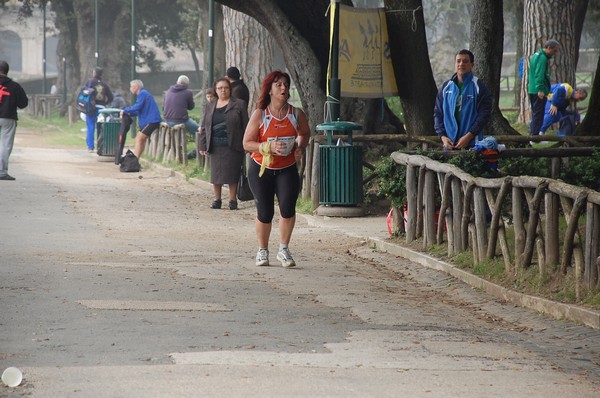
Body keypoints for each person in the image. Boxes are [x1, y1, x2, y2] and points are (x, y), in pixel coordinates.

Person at [242, 70, 310, 268]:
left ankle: (284, 249)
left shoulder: (296, 114)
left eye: (286, 85)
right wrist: (267, 147)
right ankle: (262, 251)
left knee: (288, 208)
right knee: (265, 212)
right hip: (261, 168)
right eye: (278, 84)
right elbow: (246, 143)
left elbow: (305, 133)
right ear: (270, 90)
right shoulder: (260, 114)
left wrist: (300, 147)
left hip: (287, 167)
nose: (283, 88)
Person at [198, 78, 249, 210]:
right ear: (215, 90)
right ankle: (217, 199)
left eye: (225, 87)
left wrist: (247, 143)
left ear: (230, 89)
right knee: (216, 174)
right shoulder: (210, 105)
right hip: (215, 145)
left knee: (233, 173)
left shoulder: (239, 104)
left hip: (233, 144)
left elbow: (246, 126)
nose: (223, 90)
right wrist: (202, 145)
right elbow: (205, 126)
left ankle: (233, 200)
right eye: (220, 88)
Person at [434, 49, 492, 150]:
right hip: (449, 144)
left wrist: (469, 136)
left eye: (465, 61)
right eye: (458, 61)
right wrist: (443, 137)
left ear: (472, 65)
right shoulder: (445, 87)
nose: (461, 64)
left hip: (472, 144)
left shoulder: (479, 87)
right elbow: (438, 114)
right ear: (455, 63)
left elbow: (484, 115)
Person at [115, 80, 161, 164]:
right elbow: (139, 110)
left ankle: (134, 160)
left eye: (131, 87)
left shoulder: (142, 94)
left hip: (151, 121)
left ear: (136, 87)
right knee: (140, 139)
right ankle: (136, 160)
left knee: (139, 138)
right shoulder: (142, 94)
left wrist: (125, 110)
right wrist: (129, 112)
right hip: (148, 121)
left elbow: (137, 106)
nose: (130, 88)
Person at [0, 60, 28, 181]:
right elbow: (23, 104)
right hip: (8, 117)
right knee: (5, 144)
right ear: (7, 71)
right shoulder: (15, 86)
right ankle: (1, 171)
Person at [527, 39, 560, 137]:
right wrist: (541, 89)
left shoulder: (536, 55)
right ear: (548, 48)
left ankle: (532, 133)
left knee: (535, 113)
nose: (555, 53)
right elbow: (539, 74)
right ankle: (534, 136)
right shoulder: (542, 58)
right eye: (554, 50)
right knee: (539, 114)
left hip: (532, 89)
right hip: (538, 91)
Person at [84, 67, 113, 152]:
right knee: (100, 127)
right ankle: (101, 147)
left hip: (91, 108)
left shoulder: (90, 82)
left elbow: (85, 92)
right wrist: (104, 103)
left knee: (90, 126)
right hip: (102, 109)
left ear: (94, 73)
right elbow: (111, 97)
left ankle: (90, 147)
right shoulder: (104, 84)